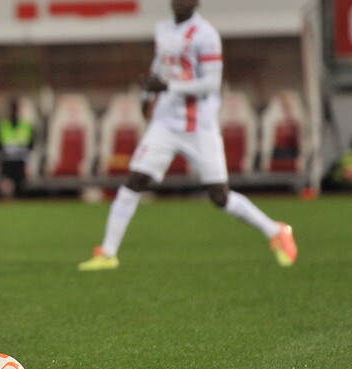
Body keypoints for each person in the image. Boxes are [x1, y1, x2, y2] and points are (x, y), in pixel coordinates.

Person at [78, 0, 297, 272]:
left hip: (199, 126)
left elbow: (211, 83)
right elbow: (159, 65)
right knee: (135, 180)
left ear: (197, 2)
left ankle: (275, 230)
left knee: (219, 195)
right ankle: (107, 253)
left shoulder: (206, 36)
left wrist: (167, 86)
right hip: (165, 123)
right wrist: (148, 96)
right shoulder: (163, 29)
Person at [0, 97, 34, 198]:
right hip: (7, 163)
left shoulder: (26, 126)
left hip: (21, 163)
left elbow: (31, 146)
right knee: (7, 190)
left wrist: (28, 165)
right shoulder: (2, 126)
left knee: (21, 190)